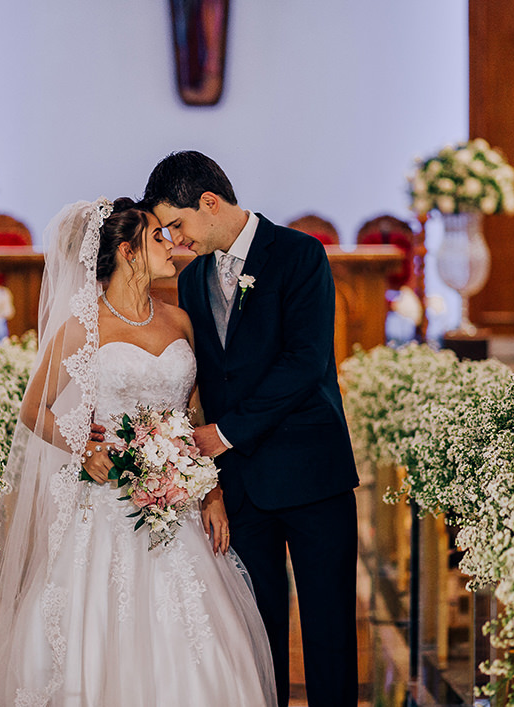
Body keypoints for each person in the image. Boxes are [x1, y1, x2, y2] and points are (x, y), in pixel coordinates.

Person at [0, 197, 277, 706]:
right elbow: (34, 409)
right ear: (128, 251)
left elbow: (194, 416)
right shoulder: (82, 327)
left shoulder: (180, 320)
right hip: (107, 506)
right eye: (157, 237)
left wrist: (211, 494)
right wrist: (82, 448)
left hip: (178, 506)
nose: (172, 244)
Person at [141, 151, 360, 707]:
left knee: (329, 632)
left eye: (177, 225)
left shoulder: (299, 254)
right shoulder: (193, 280)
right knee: (256, 636)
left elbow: (304, 363)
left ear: (209, 202)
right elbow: (204, 376)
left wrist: (225, 433)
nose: (175, 240)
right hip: (242, 488)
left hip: (312, 475)